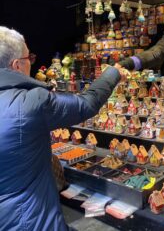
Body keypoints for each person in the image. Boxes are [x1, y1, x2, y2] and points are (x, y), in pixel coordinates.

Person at [0, 26, 125, 231]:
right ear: (16, 65)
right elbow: (86, 104)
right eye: (28, 58)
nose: (32, 62)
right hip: (29, 219)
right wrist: (112, 73)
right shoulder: (30, 101)